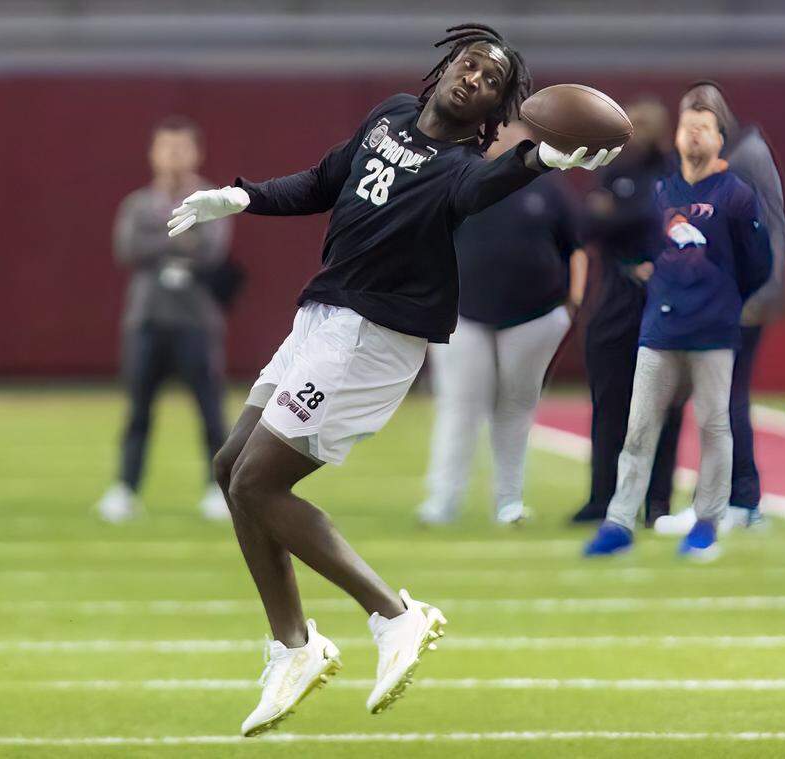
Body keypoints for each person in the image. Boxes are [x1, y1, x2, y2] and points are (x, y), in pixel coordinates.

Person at [165, 23, 619, 736]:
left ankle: (394, 614)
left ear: (494, 111)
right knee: (231, 468)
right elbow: (321, 181)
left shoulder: (463, 164)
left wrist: (540, 158)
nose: (475, 79)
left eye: (493, 82)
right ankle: (295, 648)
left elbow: (486, 186)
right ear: (444, 67)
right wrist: (241, 197)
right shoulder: (390, 114)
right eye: (470, 65)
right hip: (323, 317)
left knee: (258, 481)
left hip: (370, 337)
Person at [584, 93, 771, 559]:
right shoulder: (661, 193)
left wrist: (723, 300)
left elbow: (758, 265)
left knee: (713, 426)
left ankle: (707, 522)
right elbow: (641, 245)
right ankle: (619, 521)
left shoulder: (736, 195)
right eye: (688, 126)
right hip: (660, 328)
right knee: (639, 427)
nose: (694, 134)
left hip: (712, 332)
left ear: (719, 138)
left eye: (704, 127)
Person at [416, 119, 585, 525]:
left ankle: (508, 503)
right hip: (462, 316)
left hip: (532, 316)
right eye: (500, 131)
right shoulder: (460, 180)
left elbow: (576, 247)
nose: (507, 138)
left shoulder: (548, 186)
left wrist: (572, 303)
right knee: (458, 407)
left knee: (515, 409)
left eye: (516, 132)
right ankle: (443, 501)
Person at [651, 81, 785, 535]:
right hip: (741, 294)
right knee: (727, 399)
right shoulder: (744, 152)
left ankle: (730, 501)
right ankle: (740, 501)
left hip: (743, 298)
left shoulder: (742, 157)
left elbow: (760, 232)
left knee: (723, 400)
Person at [96, 117, 232, 523]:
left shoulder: (212, 201)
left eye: (181, 148)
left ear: (196, 152)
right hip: (147, 319)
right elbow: (127, 248)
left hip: (196, 321)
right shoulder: (137, 204)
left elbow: (212, 250)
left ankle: (218, 489)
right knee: (138, 410)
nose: (173, 156)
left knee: (210, 412)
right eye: (166, 147)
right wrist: (178, 241)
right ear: (153, 153)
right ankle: (125, 488)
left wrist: (159, 242)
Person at [569, 99, 674, 525]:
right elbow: (587, 225)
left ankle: (658, 503)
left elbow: (672, 222)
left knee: (662, 408)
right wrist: (636, 215)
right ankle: (602, 499)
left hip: (665, 304)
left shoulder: (674, 172)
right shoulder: (614, 171)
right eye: (635, 123)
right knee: (609, 405)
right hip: (614, 301)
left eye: (649, 122)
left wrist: (621, 214)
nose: (641, 130)